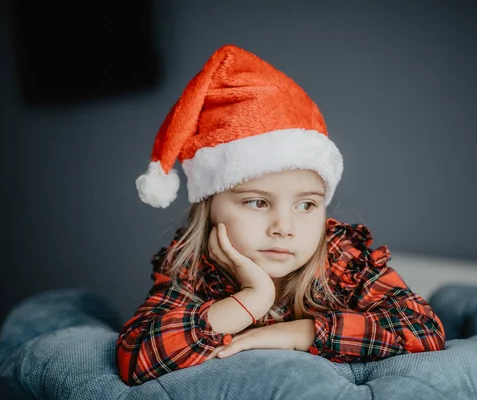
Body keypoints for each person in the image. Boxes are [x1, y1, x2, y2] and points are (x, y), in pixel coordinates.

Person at [116, 44, 445, 386]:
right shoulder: (192, 266)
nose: (284, 228)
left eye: (306, 205)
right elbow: (135, 356)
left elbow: (421, 328)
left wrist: (300, 333)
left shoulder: (341, 258)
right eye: (258, 202)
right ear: (210, 206)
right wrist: (251, 300)